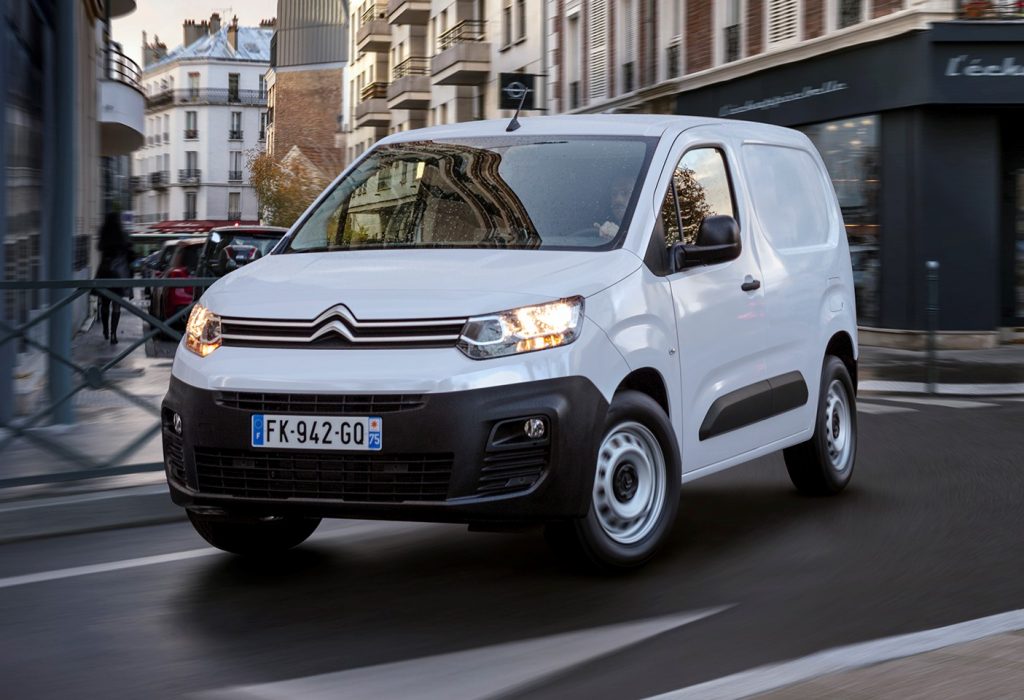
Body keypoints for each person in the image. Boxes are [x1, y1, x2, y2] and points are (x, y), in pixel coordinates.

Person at [95, 211, 134, 345]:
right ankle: (113, 335)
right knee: (116, 305)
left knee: (104, 304)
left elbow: (99, 247)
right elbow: (129, 251)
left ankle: (105, 330)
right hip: (119, 272)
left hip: (105, 271)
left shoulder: (104, 233)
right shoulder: (122, 234)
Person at [593, 176, 634, 240]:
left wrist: (619, 237)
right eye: (614, 194)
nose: (618, 199)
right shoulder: (601, 225)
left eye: (625, 193)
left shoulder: (648, 228)